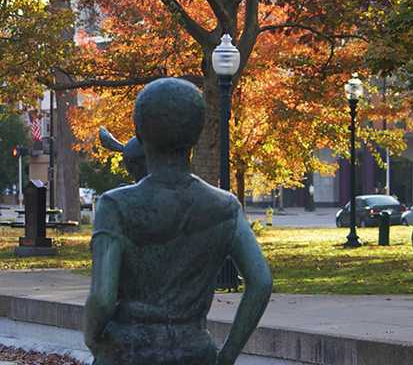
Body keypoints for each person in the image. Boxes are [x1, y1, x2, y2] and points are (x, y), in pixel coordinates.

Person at [84, 78, 272, 365]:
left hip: (127, 351)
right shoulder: (226, 207)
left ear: (140, 134)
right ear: (196, 134)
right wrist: (227, 357)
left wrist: (95, 341)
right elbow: (260, 282)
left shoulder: (115, 205)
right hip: (195, 351)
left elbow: (101, 298)